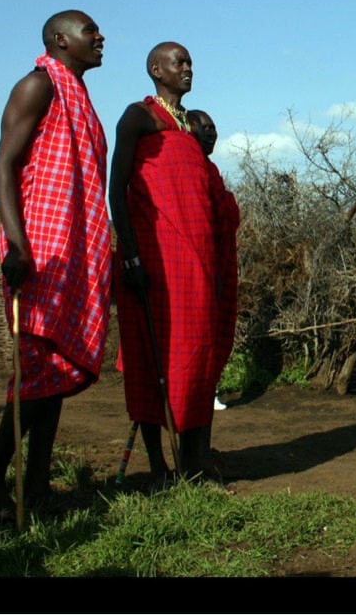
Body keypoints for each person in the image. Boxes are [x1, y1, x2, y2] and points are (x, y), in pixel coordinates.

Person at [0, 10, 112, 520]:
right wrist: (18, 244)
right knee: (36, 372)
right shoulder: (36, 86)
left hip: (72, 248)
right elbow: (4, 165)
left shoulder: (80, 96)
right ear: (59, 39)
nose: (100, 37)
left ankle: (38, 484)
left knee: (56, 368)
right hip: (41, 248)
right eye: (90, 30)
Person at [110, 42, 231, 484]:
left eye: (190, 62)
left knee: (195, 355)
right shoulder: (138, 117)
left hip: (194, 263)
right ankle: (158, 464)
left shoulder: (191, 130)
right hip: (155, 258)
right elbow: (116, 188)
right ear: (156, 69)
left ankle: (193, 458)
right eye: (179, 62)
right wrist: (131, 254)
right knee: (151, 355)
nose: (187, 68)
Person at [186, 108, 240, 415]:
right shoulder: (191, 172)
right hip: (200, 268)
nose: (211, 132)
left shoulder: (212, 170)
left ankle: (209, 389)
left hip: (220, 264)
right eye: (203, 127)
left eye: (214, 127)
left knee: (215, 331)